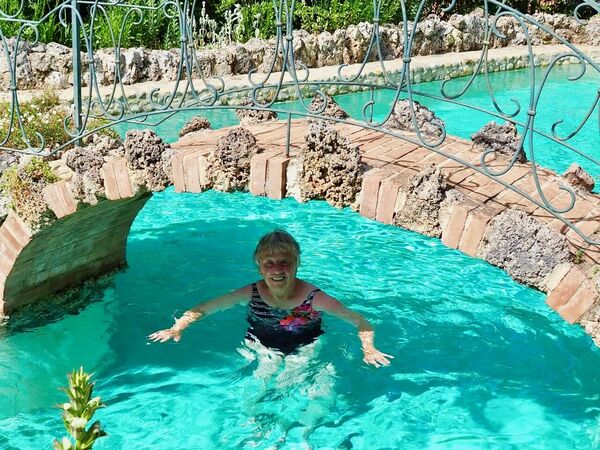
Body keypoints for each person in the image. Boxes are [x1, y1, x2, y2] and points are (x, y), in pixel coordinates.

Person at [149, 229, 393, 368]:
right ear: (259, 267)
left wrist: (369, 349)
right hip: (260, 344)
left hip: (306, 345)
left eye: (285, 262)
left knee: (306, 386)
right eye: (269, 263)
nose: (277, 269)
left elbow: (360, 321)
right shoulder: (250, 293)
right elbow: (206, 308)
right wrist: (177, 327)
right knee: (259, 389)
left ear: (296, 264)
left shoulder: (315, 299)